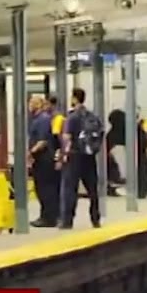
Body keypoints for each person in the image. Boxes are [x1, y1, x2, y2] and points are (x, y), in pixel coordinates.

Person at [59, 87, 101, 229]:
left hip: (74, 156)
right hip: (89, 157)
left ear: (74, 98)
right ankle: (95, 219)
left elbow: (67, 138)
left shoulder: (72, 117)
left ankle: (67, 221)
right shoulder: (92, 116)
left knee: (70, 188)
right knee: (92, 190)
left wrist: (63, 155)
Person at [27, 94, 60, 227]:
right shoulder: (38, 119)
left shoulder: (42, 120)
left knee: (45, 189)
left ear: (38, 104)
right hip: (41, 159)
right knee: (42, 188)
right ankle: (48, 216)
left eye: (32, 103)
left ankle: (48, 217)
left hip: (44, 159)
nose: (29, 105)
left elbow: (43, 141)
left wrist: (30, 153)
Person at [136, 110, 147, 199]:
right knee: (139, 170)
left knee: (143, 169)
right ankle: (140, 189)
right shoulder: (128, 122)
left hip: (142, 150)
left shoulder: (145, 122)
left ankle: (145, 189)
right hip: (135, 150)